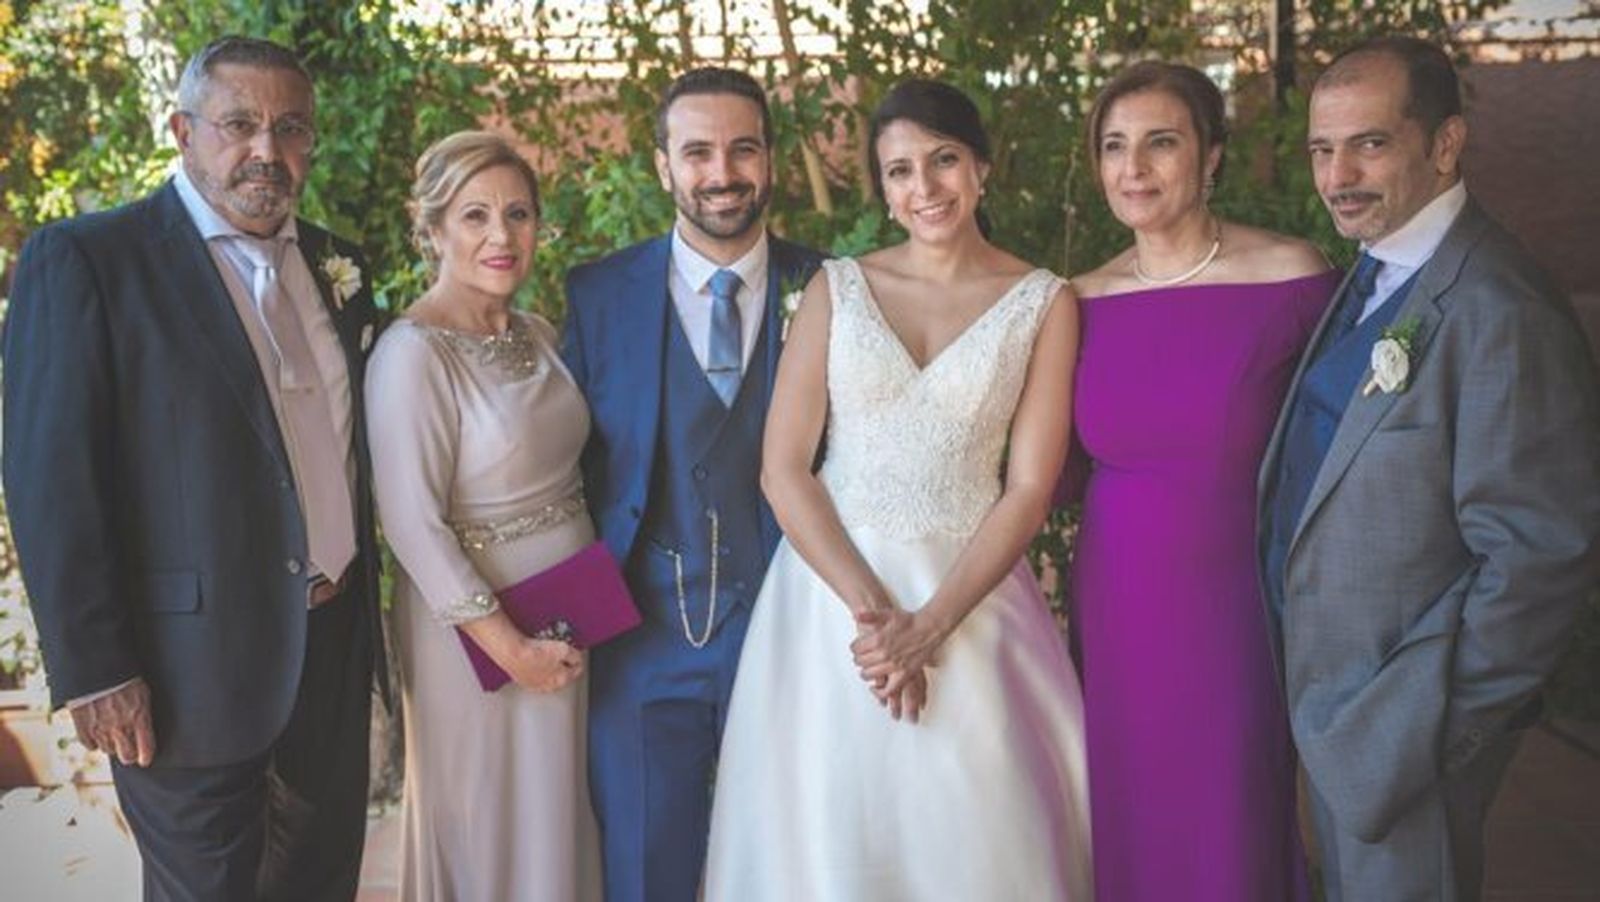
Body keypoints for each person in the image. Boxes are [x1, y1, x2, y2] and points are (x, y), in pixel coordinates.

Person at [1, 36, 382, 900]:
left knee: (320, 886)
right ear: (181, 129)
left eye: (291, 129)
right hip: (184, 674)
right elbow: (51, 480)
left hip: (330, 644)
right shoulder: (91, 260)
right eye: (238, 124)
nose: (266, 151)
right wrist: (97, 668)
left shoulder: (341, 268)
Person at [704, 78, 1092, 901]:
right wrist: (878, 623)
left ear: (982, 168)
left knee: (978, 833)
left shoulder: (1044, 302)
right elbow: (784, 469)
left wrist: (932, 626)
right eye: (901, 170)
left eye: (943, 161)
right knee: (833, 828)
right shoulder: (836, 290)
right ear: (882, 188)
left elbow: (1027, 487)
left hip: (972, 601)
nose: (925, 188)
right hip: (829, 609)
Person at [1260, 36, 1600, 900]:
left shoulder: (1501, 310)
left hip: (1402, 735)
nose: (1338, 175)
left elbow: (1539, 558)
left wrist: (1427, 736)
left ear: (1444, 144)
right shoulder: (1374, 268)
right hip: (1339, 717)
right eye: (1322, 149)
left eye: (1368, 143)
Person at [1062, 61, 1336, 901]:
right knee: (1128, 821)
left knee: (1234, 821)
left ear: (1211, 156)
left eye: (1160, 143)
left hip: (1236, 611)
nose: (1133, 168)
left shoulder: (1294, 280)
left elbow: (1338, 461)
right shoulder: (1077, 300)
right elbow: (1052, 475)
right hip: (1116, 606)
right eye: (1114, 146)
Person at [560, 67, 825, 901]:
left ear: (772, 160)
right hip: (641, 642)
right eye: (698, 151)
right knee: (646, 871)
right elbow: (558, 467)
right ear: (662, 165)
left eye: (743, 148)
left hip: (793, 638)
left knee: (795, 865)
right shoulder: (598, 295)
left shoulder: (832, 288)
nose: (722, 173)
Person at [365, 131, 601, 901]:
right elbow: (411, 525)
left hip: (569, 620)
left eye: (518, 214)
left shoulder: (538, 335)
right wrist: (510, 649)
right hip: (476, 638)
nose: (501, 236)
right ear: (432, 229)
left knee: (556, 810)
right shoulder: (411, 355)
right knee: (487, 817)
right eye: (474, 216)